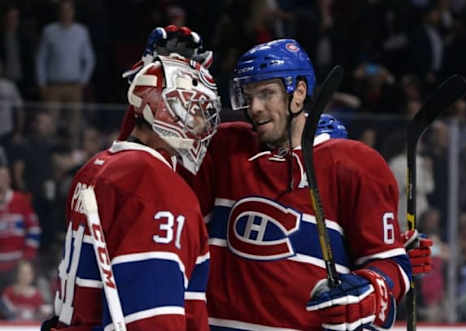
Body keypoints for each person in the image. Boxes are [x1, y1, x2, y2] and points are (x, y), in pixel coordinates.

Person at [133, 27, 434, 330]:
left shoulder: (354, 163)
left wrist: (367, 291)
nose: (255, 107)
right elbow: (146, 167)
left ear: (299, 93)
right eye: (248, 96)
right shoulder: (225, 149)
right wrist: (152, 88)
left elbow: (390, 264)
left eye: (267, 93)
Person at [41, 52, 221, 330]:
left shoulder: (95, 167)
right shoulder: (158, 187)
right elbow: (152, 318)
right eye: (192, 109)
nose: (201, 124)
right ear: (161, 108)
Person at [35, 0, 95, 147]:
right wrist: (41, 82)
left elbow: (89, 58)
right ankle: (48, 152)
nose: (66, 13)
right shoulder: (49, 31)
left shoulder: (81, 31)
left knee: (74, 123)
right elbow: (41, 58)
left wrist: (83, 80)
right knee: (50, 123)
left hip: (75, 85)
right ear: (59, 12)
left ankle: (73, 152)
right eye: (63, 10)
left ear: (73, 12)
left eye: (69, 10)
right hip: (53, 85)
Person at [0, 147, 40, 293]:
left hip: (16, 265)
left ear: (9, 179)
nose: (1, 181)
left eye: (4, 177)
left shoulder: (20, 200)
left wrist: (28, 256)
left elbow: (34, 229)